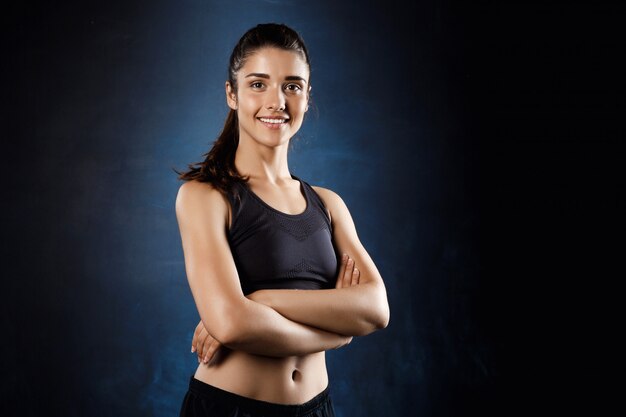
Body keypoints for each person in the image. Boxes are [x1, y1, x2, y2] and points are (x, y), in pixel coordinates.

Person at [174, 23, 390, 417]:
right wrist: (337, 335)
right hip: (231, 409)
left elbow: (376, 308)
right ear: (232, 95)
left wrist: (261, 300)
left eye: (292, 86)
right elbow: (232, 324)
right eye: (259, 84)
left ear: (307, 97)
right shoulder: (204, 196)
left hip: (316, 408)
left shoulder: (328, 204)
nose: (277, 101)